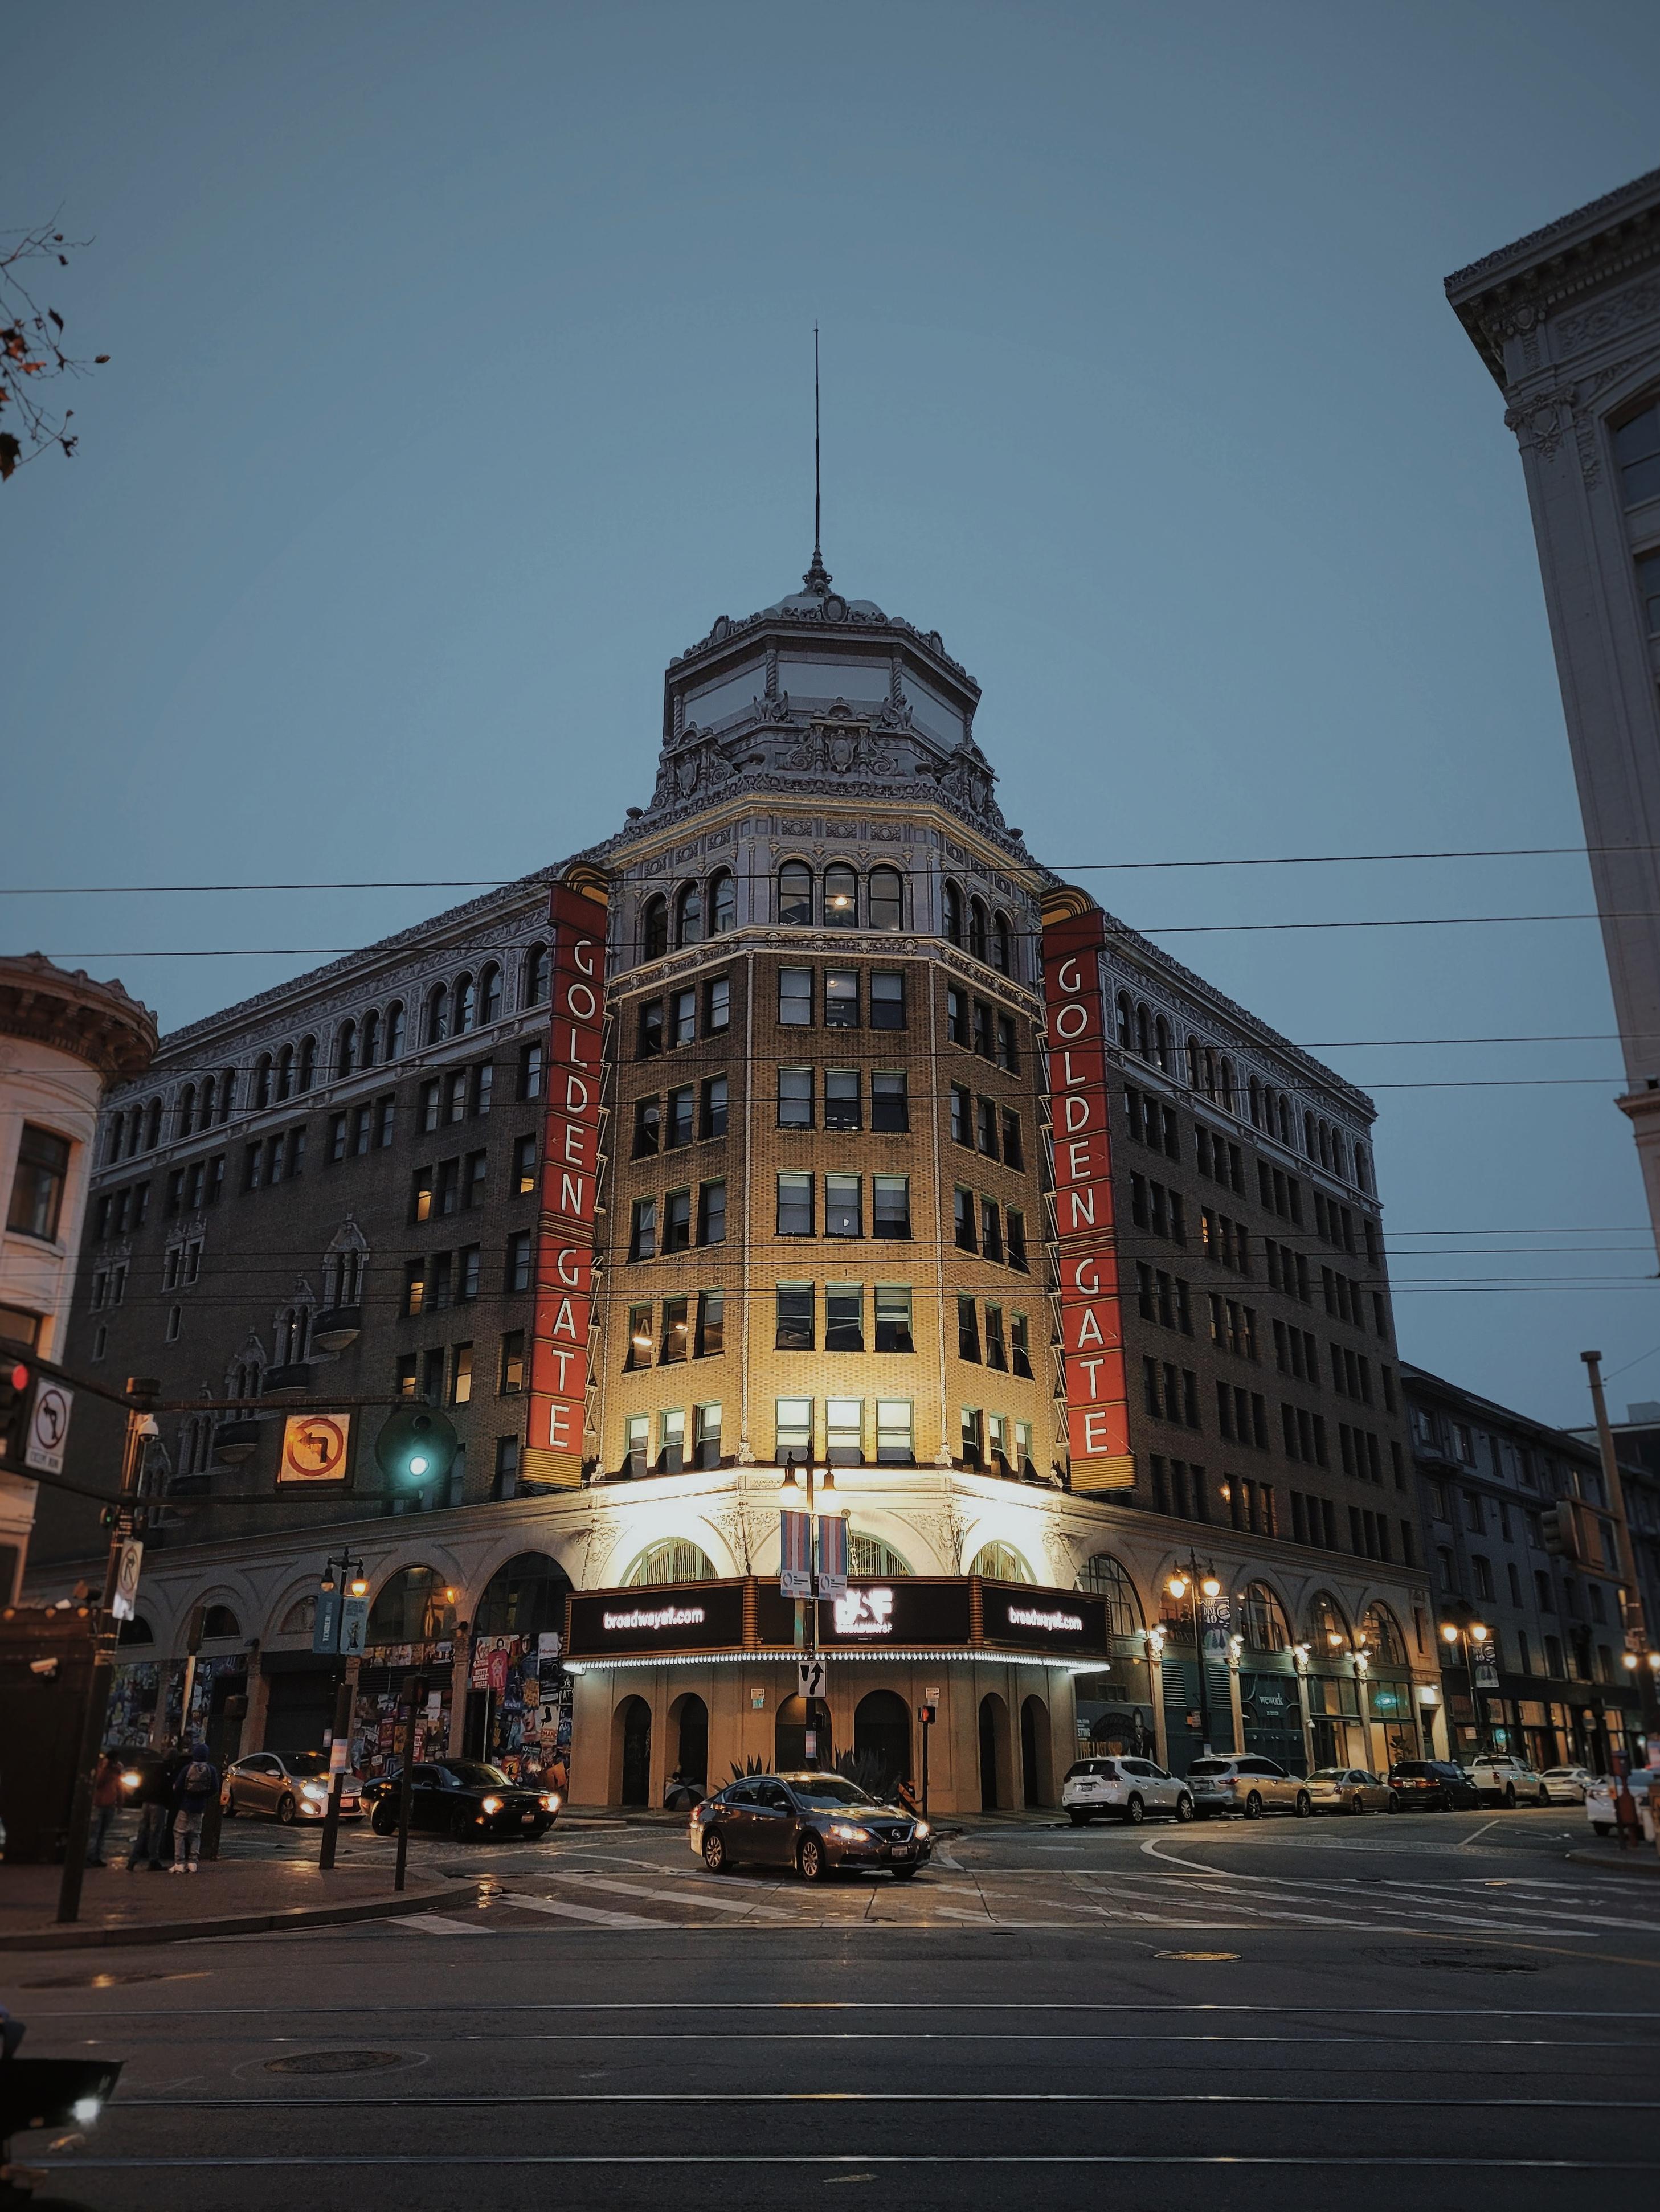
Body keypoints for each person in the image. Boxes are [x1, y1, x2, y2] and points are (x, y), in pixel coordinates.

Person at [170, 1742, 219, 1874]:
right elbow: (215, 1788)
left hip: (186, 1805)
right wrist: (204, 1796)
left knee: (179, 1833)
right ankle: (193, 1862)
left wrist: (182, 1797)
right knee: (195, 1834)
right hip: (200, 1806)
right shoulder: (211, 1770)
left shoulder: (188, 1769)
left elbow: (178, 1786)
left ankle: (179, 1863)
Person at [126, 1752, 174, 1871]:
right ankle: (153, 1860)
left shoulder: (154, 1768)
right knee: (155, 1833)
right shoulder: (168, 1771)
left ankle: (133, 1860)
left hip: (147, 1802)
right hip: (158, 1804)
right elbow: (168, 1789)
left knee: (142, 1832)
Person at [86, 1749, 122, 1867]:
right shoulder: (103, 1770)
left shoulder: (116, 1771)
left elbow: (119, 1787)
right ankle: (90, 1857)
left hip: (108, 1804)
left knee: (100, 1833)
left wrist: (120, 1803)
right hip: (99, 1804)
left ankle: (96, 1856)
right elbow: (98, 1783)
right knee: (95, 1832)